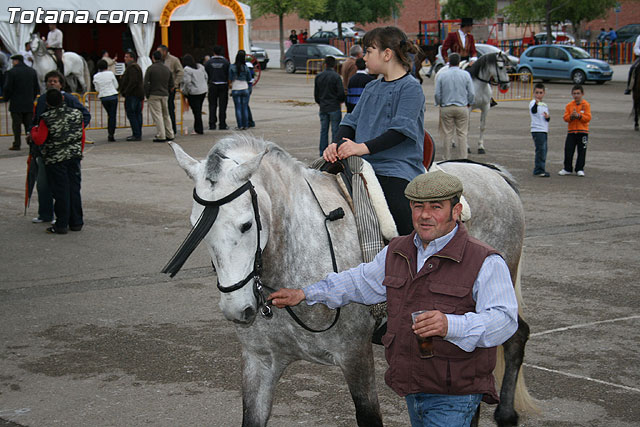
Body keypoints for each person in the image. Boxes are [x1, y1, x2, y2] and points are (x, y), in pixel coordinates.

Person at [268, 171, 518, 427]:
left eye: (436, 207)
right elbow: (359, 281)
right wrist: (306, 293)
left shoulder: (485, 261)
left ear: (456, 211)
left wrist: (450, 325)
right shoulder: (398, 251)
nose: (425, 215)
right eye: (418, 206)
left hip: (455, 393)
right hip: (414, 387)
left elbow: (505, 320)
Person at [323, 26, 425, 236]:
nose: (365, 57)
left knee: (400, 211)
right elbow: (350, 122)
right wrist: (336, 144)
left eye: (369, 51)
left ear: (387, 54)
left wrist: (361, 147)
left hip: (395, 166)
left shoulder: (410, 88)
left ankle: (412, 256)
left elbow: (400, 131)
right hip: (362, 163)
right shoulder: (371, 87)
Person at [30, 71, 90, 225]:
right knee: (45, 185)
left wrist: (70, 132)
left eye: (55, 81)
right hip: (54, 153)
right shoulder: (42, 101)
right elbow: (35, 123)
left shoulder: (69, 102)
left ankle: (64, 220)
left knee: (63, 188)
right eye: (49, 81)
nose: (52, 83)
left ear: (61, 84)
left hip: (57, 154)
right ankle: (48, 214)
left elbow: (85, 117)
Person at [435, 53, 474, 161]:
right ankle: (463, 157)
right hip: (462, 106)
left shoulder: (442, 75)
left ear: (449, 62)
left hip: (446, 107)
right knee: (462, 133)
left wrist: (440, 103)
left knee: (447, 133)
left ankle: (446, 158)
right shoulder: (465, 75)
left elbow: (437, 93)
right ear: (459, 62)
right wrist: (470, 102)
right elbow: (471, 93)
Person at [2, 54, 39, 151]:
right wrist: (32, 98)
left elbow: (7, 87)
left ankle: (17, 144)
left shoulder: (11, 72)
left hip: (16, 104)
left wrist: (6, 98)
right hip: (28, 104)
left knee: (16, 125)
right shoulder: (32, 71)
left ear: (16, 61)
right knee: (29, 125)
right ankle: (31, 142)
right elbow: (36, 88)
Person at [314, 56, 345, 155]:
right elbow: (341, 93)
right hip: (334, 106)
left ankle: (322, 152)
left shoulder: (319, 76)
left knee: (323, 131)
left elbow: (316, 94)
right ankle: (334, 152)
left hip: (323, 106)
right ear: (335, 65)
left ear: (325, 64)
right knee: (335, 131)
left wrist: (320, 102)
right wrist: (340, 101)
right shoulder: (336, 77)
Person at [558, 85, 591, 177]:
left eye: (578, 93)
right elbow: (565, 118)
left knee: (582, 151)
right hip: (572, 131)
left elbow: (588, 118)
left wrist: (579, 116)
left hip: (582, 131)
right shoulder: (569, 105)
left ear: (582, 94)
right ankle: (567, 168)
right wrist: (572, 116)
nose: (576, 95)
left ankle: (579, 168)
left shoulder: (586, 105)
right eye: (574, 93)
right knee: (568, 150)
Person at [144, 50, 175, 143]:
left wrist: (147, 94)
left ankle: (161, 135)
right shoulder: (166, 69)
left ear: (153, 58)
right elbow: (172, 83)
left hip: (154, 94)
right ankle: (170, 133)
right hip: (165, 94)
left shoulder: (150, 69)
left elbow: (146, 83)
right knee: (166, 114)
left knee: (157, 115)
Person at [156, 45, 184, 135]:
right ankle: (163, 129)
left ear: (164, 52)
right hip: (160, 88)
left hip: (170, 88)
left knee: (170, 109)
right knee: (160, 110)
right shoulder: (158, 60)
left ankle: (172, 129)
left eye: (159, 51)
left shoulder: (174, 60)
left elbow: (180, 72)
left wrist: (175, 84)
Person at [119, 50, 144, 141]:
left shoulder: (132, 68)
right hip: (137, 94)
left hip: (133, 94)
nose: (125, 59)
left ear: (132, 58)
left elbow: (133, 81)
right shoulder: (136, 67)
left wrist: (126, 91)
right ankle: (137, 133)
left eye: (127, 57)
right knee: (137, 114)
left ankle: (136, 134)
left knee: (132, 113)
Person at [181, 53, 208, 135]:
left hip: (194, 92)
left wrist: (185, 91)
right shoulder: (201, 67)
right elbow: (206, 77)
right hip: (203, 90)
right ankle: (198, 127)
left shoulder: (187, 70)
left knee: (196, 111)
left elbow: (187, 82)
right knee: (198, 110)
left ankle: (198, 129)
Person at [93, 59, 119, 142]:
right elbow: (116, 85)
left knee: (109, 114)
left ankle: (110, 131)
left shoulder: (96, 76)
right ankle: (111, 133)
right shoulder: (110, 74)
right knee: (112, 115)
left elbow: (97, 89)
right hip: (113, 95)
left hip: (103, 97)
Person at [204, 45, 230, 130]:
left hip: (212, 85)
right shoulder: (226, 62)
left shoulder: (208, 62)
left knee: (212, 105)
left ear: (213, 52)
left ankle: (212, 124)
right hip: (223, 85)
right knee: (223, 106)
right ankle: (222, 124)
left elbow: (206, 74)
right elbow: (228, 74)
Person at [529, 83, 551, 177]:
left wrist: (547, 117)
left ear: (544, 93)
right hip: (537, 129)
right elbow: (533, 111)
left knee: (544, 150)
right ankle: (538, 169)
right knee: (540, 149)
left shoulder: (544, 104)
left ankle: (541, 167)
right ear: (534, 93)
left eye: (540, 92)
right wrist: (536, 104)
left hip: (544, 129)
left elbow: (547, 118)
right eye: (537, 92)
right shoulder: (533, 103)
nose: (538, 94)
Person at [229, 49, 252, 130]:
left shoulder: (232, 67)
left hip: (236, 88)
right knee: (244, 107)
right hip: (245, 88)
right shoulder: (245, 67)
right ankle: (246, 125)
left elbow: (230, 78)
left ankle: (240, 125)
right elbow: (249, 78)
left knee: (238, 108)